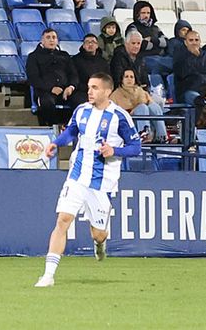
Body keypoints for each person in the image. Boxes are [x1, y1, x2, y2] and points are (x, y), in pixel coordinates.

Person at [35, 72, 141, 286]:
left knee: (98, 234)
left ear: (107, 91)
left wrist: (115, 150)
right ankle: (48, 275)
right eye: (89, 87)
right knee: (63, 220)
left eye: (95, 88)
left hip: (102, 182)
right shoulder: (81, 110)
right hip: (77, 175)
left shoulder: (119, 116)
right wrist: (56, 143)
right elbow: (71, 132)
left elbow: (136, 147)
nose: (89, 91)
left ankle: (100, 243)